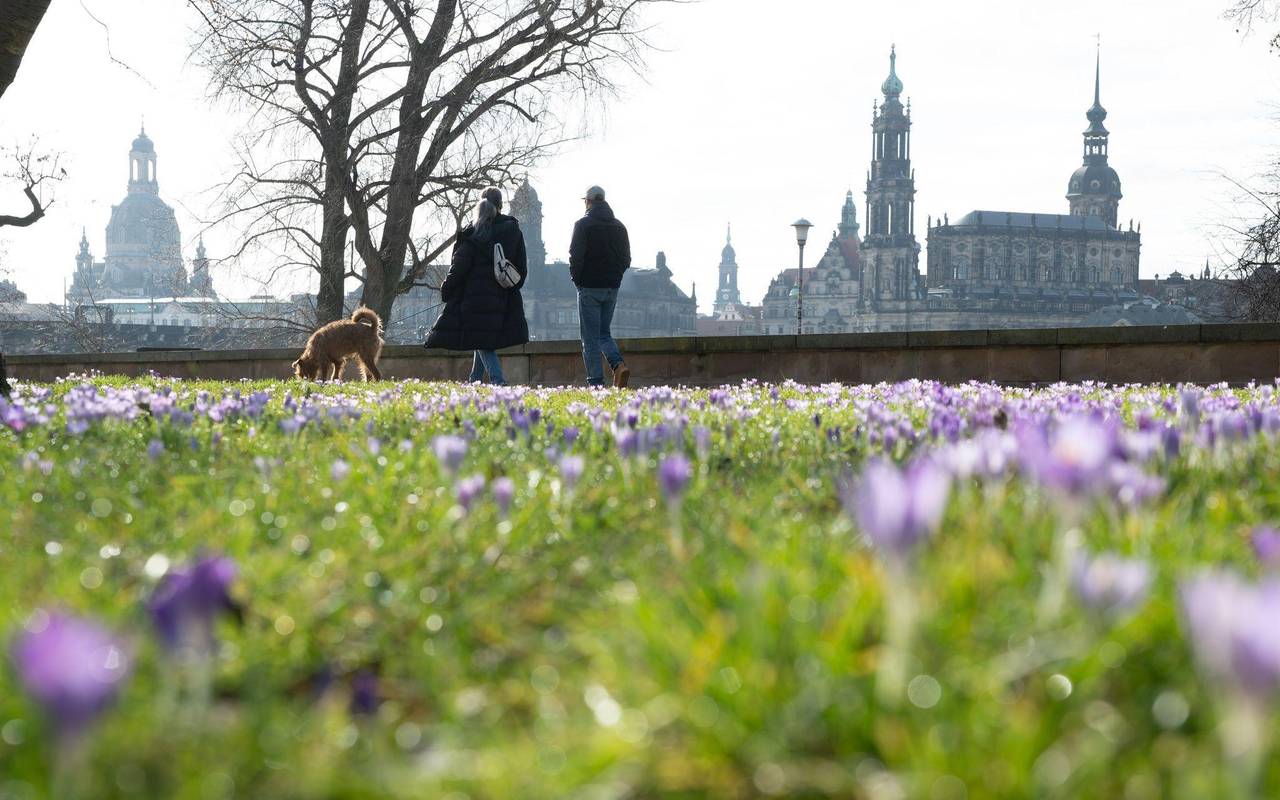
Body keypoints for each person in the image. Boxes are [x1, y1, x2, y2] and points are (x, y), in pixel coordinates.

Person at [425, 188, 528, 384]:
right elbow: (521, 269)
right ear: (500, 206)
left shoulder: (473, 233)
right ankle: (475, 380)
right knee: (482, 336)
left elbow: (459, 268)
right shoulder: (512, 230)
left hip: (475, 298)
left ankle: (498, 381)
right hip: (503, 296)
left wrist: (446, 290)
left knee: (482, 339)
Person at [569, 185, 631, 388]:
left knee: (590, 339)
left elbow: (575, 257)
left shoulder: (582, 224)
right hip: (611, 287)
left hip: (588, 287)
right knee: (604, 333)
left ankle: (595, 383)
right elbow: (626, 259)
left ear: (588, 201)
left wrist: (578, 281)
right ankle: (618, 365)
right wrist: (615, 279)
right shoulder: (620, 226)